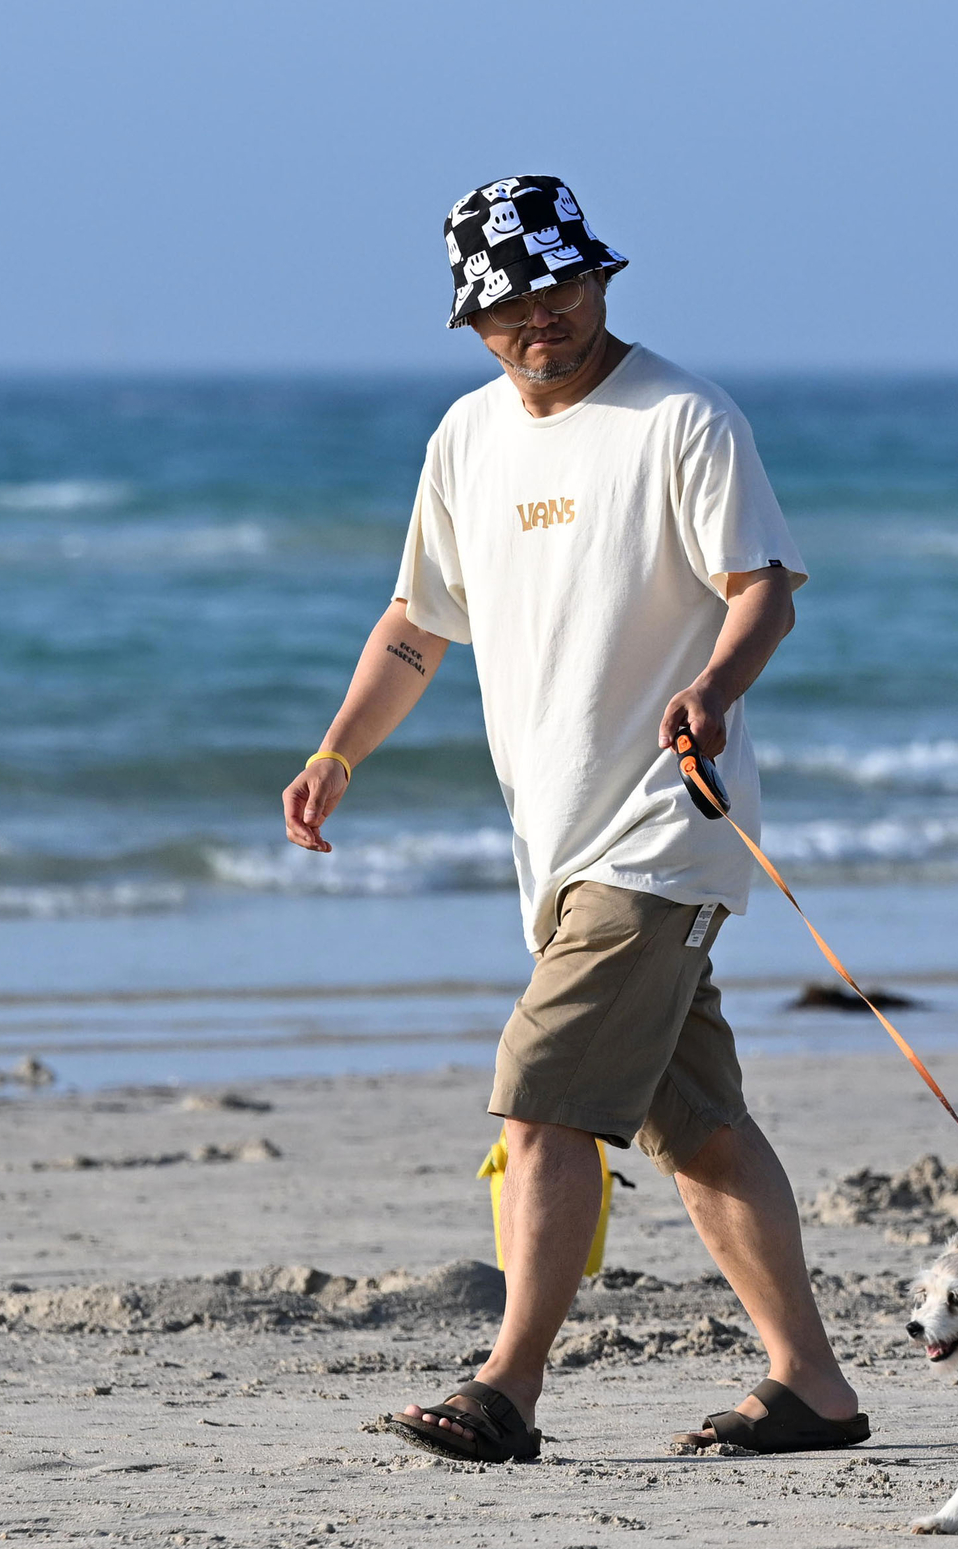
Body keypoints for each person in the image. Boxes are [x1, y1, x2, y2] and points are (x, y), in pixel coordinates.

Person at [283, 176, 866, 1465]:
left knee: (540, 1102)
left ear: (600, 279)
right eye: (508, 307)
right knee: (697, 1125)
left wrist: (714, 687)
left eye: (560, 291)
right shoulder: (466, 440)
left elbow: (761, 590)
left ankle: (510, 1386)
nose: (539, 321)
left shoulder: (681, 418)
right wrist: (339, 751)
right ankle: (813, 1386)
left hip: (664, 832)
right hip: (557, 846)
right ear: (471, 324)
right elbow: (415, 627)